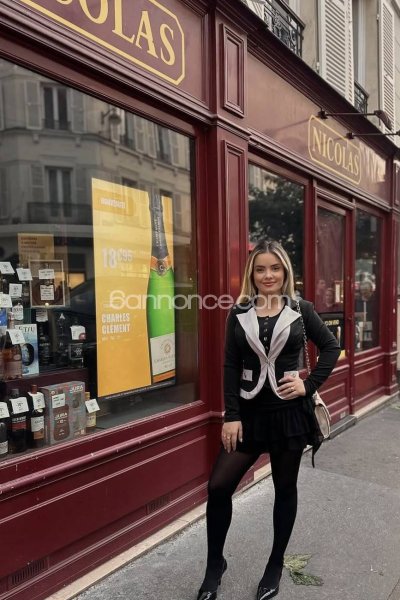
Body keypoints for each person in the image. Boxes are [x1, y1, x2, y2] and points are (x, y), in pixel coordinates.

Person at [197, 240, 340, 600]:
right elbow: (230, 365)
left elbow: (331, 346)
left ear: (285, 271)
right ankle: (215, 565)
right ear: (252, 273)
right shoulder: (239, 311)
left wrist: (308, 385)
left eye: (275, 268)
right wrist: (231, 416)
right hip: (248, 415)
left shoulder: (301, 309)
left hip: (288, 416)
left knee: (285, 488)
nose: (268, 275)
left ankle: (274, 565)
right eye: (260, 269)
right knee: (218, 487)